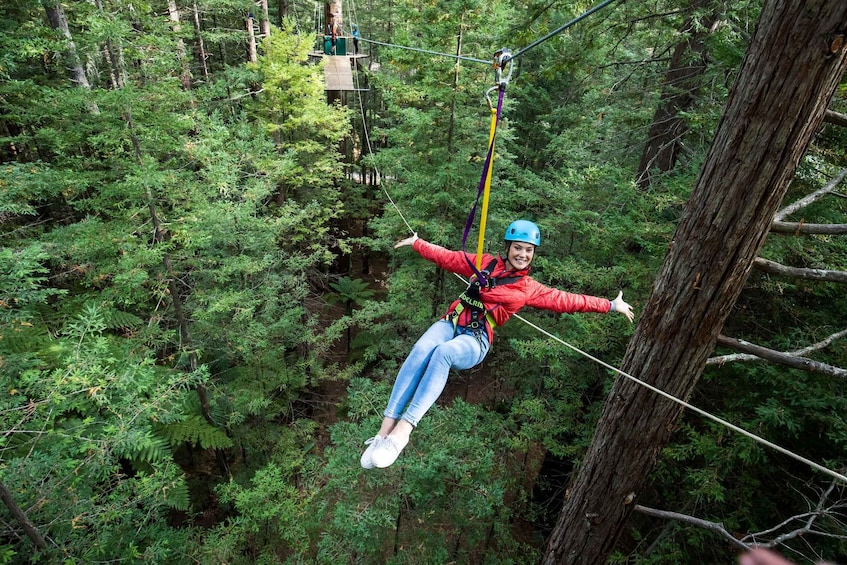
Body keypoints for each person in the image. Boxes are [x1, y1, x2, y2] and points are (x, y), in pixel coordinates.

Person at [360, 220, 635, 469]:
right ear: (508, 247)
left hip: (475, 339)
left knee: (443, 353)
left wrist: (610, 305)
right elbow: (449, 258)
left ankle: (402, 433)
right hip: (452, 323)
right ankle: (383, 433)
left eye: (528, 250)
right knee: (421, 349)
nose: (522, 254)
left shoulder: (528, 287)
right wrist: (419, 243)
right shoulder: (485, 263)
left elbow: (568, 300)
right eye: (518, 248)